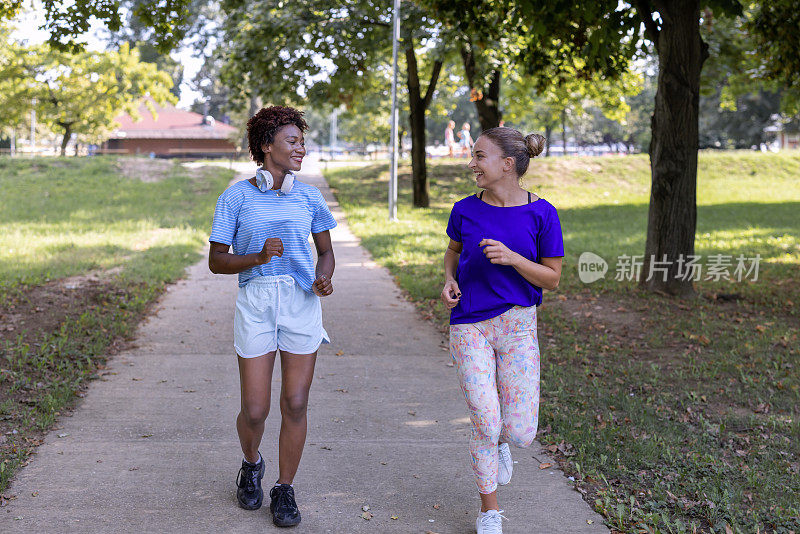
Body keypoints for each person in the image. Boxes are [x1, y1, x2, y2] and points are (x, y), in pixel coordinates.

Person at [208, 105, 337, 528]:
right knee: (256, 408)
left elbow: (326, 252)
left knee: (296, 402)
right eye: (292, 141)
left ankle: (284, 488)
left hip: (301, 302)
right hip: (257, 300)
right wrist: (258, 257)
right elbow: (216, 262)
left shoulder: (309, 196)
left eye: (302, 141)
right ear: (267, 147)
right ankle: (251, 463)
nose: (302, 148)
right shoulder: (236, 197)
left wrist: (323, 278)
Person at [440, 127, 563, 534]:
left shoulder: (542, 213)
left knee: (520, 431)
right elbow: (453, 253)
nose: (471, 163)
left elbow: (552, 278)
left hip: (518, 325)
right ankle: (489, 510)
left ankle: (503, 444)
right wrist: (448, 280)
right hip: (470, 323)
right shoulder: (464, 209)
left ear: (507, 164)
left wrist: (512, 258)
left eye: (479, 156)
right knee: (485, 422)